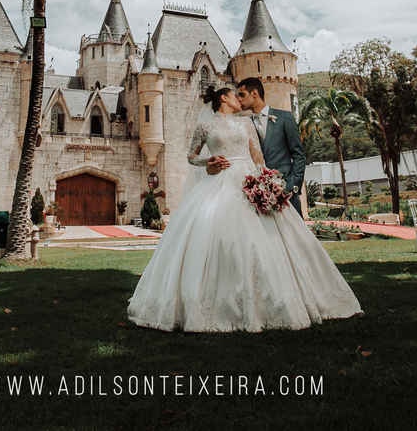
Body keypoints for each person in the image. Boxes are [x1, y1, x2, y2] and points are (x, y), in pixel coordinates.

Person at [127, 85, 362, 332]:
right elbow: (190, 155)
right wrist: (207, 163)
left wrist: (264, 175)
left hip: (249, 179)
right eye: (235, 96)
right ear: (224, 98)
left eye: (242, 95)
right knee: (214, 230)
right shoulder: (206, 127)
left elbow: (255, 152)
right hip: (219, 181)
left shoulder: (246, 123)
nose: (240, 100)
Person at [230, 77, 307, 217]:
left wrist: (292, 186)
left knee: (296, 238)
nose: (239, 99)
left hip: (286, 193)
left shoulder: (284, 117)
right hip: (257, 198)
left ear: (254, 94)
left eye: (242, 95)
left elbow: (298, 155)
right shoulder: (244, 125)